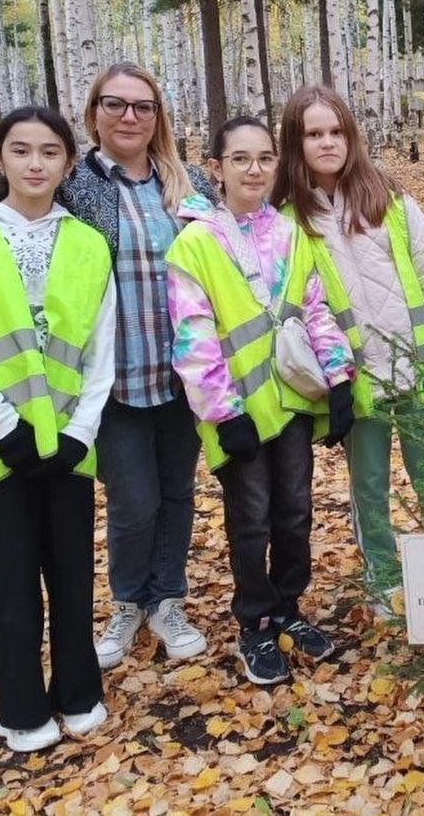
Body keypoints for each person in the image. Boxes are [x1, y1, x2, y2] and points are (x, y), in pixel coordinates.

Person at [0, 106, 117, 752]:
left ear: (67, 163)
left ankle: (78, 693)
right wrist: (2, 427)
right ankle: (22, 708)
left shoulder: (89, 244)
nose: (36, 164)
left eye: (50, 152)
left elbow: (101, 350)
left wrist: (80, 430)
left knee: (71, 576)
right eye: (21, 150)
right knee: (9, 581)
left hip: (69, 445)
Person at [166, 116, 359, 686]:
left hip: (293, 404)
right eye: (241, 159)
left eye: (265, 158)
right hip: (240, 415)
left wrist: (339, 377)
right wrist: (223, 414)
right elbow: (193, 339)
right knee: (250, 521)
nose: (255, 169)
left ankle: (289, 609)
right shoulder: (194, 243)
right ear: (216, 167)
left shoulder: (290, 234)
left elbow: (314, 308)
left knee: (295, 515)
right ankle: (255, 622)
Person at [271, 85, 424, 621]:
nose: (327, 142)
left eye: (336, 131)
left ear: (351, 136)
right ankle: (385, 581)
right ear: (296, 142)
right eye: (314, 134)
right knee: (371, 489)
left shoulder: (391, 200)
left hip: (422, 370)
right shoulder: (289, 221)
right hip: (358, 383)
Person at [56, 64, 219, 670]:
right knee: (133, 500)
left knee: (177, 493)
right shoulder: (74, 186)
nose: (130, 117)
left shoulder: (190, 184)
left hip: (183, 373)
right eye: (116, 105)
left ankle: (167, 600)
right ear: (95, 111)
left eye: (143, 107)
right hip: (115, 377)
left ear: (159, 116)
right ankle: (128, 603)